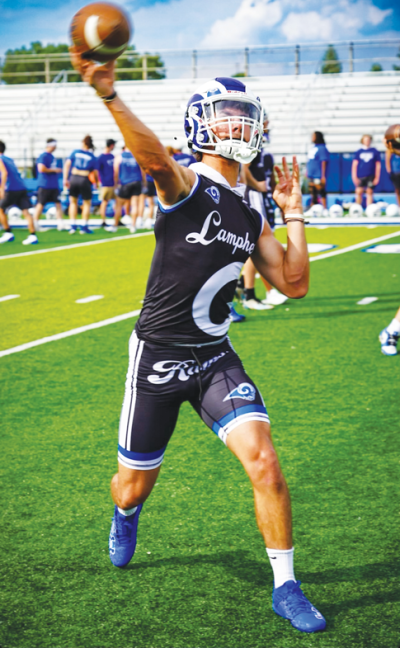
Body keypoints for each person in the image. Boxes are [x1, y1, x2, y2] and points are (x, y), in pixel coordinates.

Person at [71, 49, 325, 634]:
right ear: (200, 124)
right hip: (159, 356)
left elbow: (295, 282)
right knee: (132, 485)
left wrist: (292, 215)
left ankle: (286, 586)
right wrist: (110, 95)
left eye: (244, 114)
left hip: (215, 358)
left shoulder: (250, 210)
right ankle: (125, 512)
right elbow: (155, 160)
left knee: (265, 462)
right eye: (225, 114)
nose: (236, 125)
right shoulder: (186, 183)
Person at [241, 130, 287, 309]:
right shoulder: (251, 148)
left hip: (264, 199)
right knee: (257, 247)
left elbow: (272, 179)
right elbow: (244, 170)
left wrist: (278, 200)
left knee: (262, 245)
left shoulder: (266, 153)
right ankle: (252, 292)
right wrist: (256, 185)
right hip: (254, 197)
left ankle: (246, 288)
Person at [0, 141, 38, 245]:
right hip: (21, 187)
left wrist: (2, 188)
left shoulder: (0, 159)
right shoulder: (9, 159)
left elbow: (4, 173)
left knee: (0, 210)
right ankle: (33, 235)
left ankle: (8, 233)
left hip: (11, 188)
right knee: (26, 212)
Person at [63, 135, 98, 235]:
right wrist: (96, 182)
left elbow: (67, 164)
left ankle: (73, 226)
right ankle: (84, 226)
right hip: (84, 178)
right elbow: (95, 172)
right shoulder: (92, 157)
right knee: (86, 203)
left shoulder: (75, 152)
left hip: (74, 177)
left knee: (73, 202)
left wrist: (65, 178)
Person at [33, 138, 64, 231]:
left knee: (58, 204)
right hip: (45, 184)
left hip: (53, 185)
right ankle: (35, 223)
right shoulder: (43, 156)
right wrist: (55, 170)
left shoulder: (51, 156)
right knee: (41, 204)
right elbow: (41, 168)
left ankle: (60, 223)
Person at [114, 145, 145, 233]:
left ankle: (115, 225)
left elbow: (116, 171)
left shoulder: (120, 156)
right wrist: (144, 182)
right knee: (134, 204)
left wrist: (116, 184)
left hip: (125, 182)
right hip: (137, 181)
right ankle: (133, 226)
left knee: (119, 205)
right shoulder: (137, 156)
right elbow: (142, 170)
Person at [352, 135, 381, 207]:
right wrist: (354, 176)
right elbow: (354, 165)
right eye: (365, 140)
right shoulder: (359, 151)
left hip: (371, 175)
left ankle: (369, 208)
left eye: (368, 140)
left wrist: (377, 177)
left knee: (370, 191)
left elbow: (378, 165)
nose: (367, 141)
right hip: (360, 175)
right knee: (359, 191)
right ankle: (357, 208)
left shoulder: (374, 151)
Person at [306, 131, 329, 209]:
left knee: (321, 190)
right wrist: (307, 171)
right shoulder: (313, 148)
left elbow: (323, 162)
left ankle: (325, 208)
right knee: (313, 191)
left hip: (318, 174)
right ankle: (313, 207)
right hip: (311, 174)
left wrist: (323, 175)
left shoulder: (322, 148)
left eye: (313, 136)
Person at [97, 138, 117, 229]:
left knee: (117, 202)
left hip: (114, 183)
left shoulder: (112, 156)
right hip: (105, 183)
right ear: (111, 145)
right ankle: (103, 221)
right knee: (104, 202)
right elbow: (96, 171)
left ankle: (117, 219)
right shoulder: (101, 157)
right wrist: (99, 181)